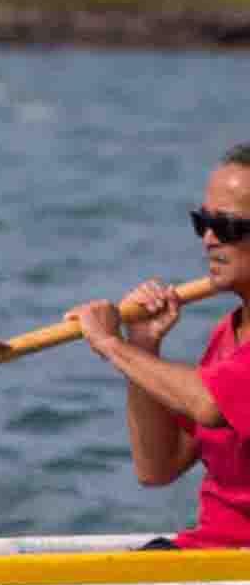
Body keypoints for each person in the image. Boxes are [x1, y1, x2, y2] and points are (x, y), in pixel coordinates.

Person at [75, 144, 250, 546]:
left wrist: (110, 345)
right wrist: (144, 343)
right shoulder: (227, 335)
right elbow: (156, 467)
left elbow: (209, 405)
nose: (208, 239)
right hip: (210, 556)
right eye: (202, 222)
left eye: (227, 227)